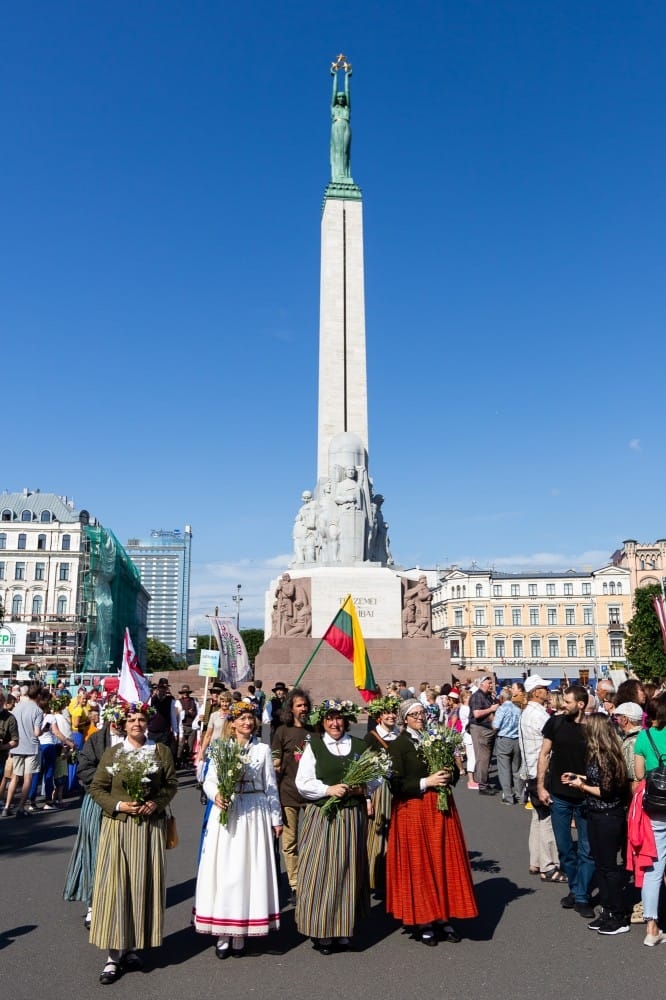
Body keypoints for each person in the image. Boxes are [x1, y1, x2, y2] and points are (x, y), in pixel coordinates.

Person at [88, 702, 178, 984]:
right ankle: (112, 956)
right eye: (132, 720)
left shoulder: (160, 751)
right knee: (116, 888)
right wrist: (118, 805)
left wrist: (156, 802)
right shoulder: (114, 753)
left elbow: (171, 784)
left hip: (149, 828)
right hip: (120, 827)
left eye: (141, 719)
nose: (137, 724)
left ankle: (130, 948)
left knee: (141, 887)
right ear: (123, 725)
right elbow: (96, 788)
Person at [386, 699, 478, 946]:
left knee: (443, 861)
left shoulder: (437, 737)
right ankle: (425, 919)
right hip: (414, 809)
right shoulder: (399, 745)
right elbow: (395, 784)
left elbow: (455, 772)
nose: (419, 717)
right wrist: (426, 782)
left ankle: (443, 916)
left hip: (441, 807)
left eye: (422, 713)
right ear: (404, 719)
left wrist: (450, 773)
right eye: (414, 714)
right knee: (421, 864)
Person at [194, 702, 282, 958]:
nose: (247, 723)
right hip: (228, 810)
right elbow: (208, 780)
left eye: (250, 718)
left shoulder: (263, 750)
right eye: (241, 719)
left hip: (254, 810)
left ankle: (243, 928)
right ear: (231, 723)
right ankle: (223, 932)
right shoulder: (221, 748)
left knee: (248, 869)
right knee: (225, 869)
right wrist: (217, 794)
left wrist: (276, 818)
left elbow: (270, 785)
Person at [295, 698, 370, 954]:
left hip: (351, 816)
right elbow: (303, 781)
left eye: (338, 718)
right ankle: (322, 930)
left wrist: (363, 788)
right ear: (323, 722)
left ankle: (343, 929)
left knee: (349, 871)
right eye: (329, 719)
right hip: (323, 816)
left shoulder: (359, 745)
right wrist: (328, 789)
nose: (334, 723)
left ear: (346, 720)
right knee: (321, 871)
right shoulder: (314, 746)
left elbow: (378, 777)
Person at [562, 713, 630, 935]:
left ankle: (619, 915)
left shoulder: (608, 756)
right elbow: (597, 781)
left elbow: (606, 791)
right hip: (596, 814)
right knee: (600, 865)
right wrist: (579, 777)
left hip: (608, 816)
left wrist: (580, 786)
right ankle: (608, 911)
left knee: (609, 867)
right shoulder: (596, 755)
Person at [63, 703, 127, 929]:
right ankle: (93, 904)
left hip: (127, 806)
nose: (123, 723)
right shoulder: (96, 740)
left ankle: (121, 901)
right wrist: (107, 783)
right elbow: (84, 768)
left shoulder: (136, 742)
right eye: (118, 718)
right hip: (99, 802)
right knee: (95, 852)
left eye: (126, 718)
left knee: (124, 855)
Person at [537, 684, 595, 918]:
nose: (563, 705)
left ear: (580, 705)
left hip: (586, 794)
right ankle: (575, 887)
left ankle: (581, 896)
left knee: (587, 849)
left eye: (567, 702)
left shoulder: (592, 727)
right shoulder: (555, 723)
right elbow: (544, 754)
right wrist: (541, 785)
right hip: (559, 795)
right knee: (564, 848)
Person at [271, 688, 313, 905]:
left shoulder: (314, 731)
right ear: (291, 709)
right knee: (290, 842)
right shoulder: (282, 732)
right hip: (288, 793)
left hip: (312, 795)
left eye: (305, 705)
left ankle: (311, 880)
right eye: (299, 705)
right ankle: (295, 884)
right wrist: (275, 765)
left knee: (312, 841)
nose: (303, 709)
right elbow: (274, 759)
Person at [519, 676, 561, 881]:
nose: (547, 690)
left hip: (530, 770)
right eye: (544, 688)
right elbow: (554, 740)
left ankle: (535, 860)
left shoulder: (527, 712)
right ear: (536, 692)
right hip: (542, 771)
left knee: (537, 817)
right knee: (548, 819)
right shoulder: (540, 716)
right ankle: (549, 864)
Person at [633, 691, 666, 946]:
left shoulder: (642, 738)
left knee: (653, 868)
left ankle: (651, 928)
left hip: (655, 807)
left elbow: (639, 773)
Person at [364, 695, 400, 896]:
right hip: (380, 789)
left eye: (393, 712)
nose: (391, 716)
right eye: (386, 712)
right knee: (378, 831)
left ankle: (394, 874)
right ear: (379, 716)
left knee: (396, 830)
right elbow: (365, 768)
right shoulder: (371, 737)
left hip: (398, 789)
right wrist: (367, 798)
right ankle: (374, 877)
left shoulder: (400, 735)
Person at [3, 683, 43, 817]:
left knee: (15, 777)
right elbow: (37, 733)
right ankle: (20, 808)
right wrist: (44, 730)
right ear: (38, 696)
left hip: (17, 746)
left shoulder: (18, 707)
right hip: (31, 747)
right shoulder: (38, 711)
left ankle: (7, 806)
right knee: (28, 778)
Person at [492, 688, 524, 804]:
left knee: (504, 770)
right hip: (516, 739)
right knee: (516, 769)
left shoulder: (501, 709)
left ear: (501, 698)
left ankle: (509, 797)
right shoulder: (518, 709)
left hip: (504, 739)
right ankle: (520, 795)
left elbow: (495, 726)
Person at [468, 676, 500, 794]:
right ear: (482, 684)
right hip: (480, 729)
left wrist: (494, 699)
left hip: (486, 729)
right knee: (483, 758)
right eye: (489, 683)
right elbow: (476, 714)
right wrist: (491, 709)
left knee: (486, 757)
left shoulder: (487, 696)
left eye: (492, 683)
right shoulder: (477, 696)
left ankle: (484, 782)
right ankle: (482, 786)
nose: (491, 685)